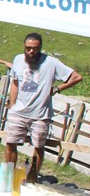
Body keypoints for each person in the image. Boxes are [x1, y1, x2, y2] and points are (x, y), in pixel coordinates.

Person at [4, 32, 83, 184]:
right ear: (24, 47)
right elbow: (15, 83)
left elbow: (77, 77)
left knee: (38, 146)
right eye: (28, 48)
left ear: (40, 47)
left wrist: (58, 88)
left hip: (40, 114)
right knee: (10, 143)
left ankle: (31, 178)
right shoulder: (18, 59)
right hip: (18, 111)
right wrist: (12, 105)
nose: (31, 52)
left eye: (35, 48)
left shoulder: (51, 63)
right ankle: (8, 177)